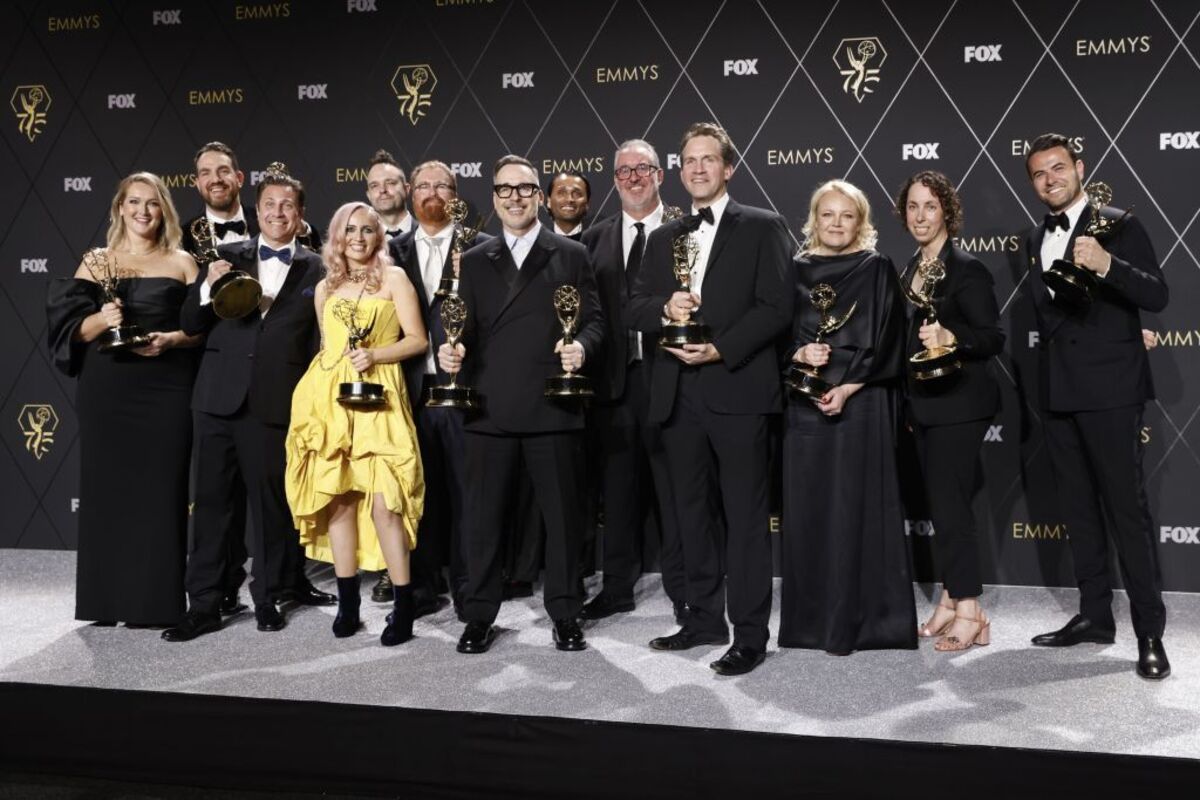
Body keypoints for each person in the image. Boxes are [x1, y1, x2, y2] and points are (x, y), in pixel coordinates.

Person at [629, 122, 793, 676]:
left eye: (708, 160)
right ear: (679, 171)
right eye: (689, 160)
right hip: (677, 393)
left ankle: (750, 635)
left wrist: (720, 349)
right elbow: (635, 305)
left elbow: (776, 308)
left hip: (738, 388)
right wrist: (665, 311)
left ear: (728, 168)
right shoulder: (661, 237)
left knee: (745, 519)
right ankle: (701, 618)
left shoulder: (764, 227)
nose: (698, 168)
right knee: (690, 514)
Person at [438, 155, 603, 654]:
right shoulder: (474, 256)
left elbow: (595, 322)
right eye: (505, 190)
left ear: (540, 196)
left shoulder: (570, 252)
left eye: (525, 189)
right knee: (483, 522)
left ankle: (566, 612)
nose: (514, 197)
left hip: (552, 404)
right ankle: (479, 613)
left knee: (562, 519)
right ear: (493, 198)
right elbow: (459, 325)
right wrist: (451, 349)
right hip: (488, 407)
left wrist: (583, 347)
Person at [163, 166, 335, 643]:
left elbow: (323, 338)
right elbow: (192, 323)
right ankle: (205, 603)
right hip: (217, 400)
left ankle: (270, 597)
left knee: (272, 508)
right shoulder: (224, 256)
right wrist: (205, 283)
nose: (278, 213)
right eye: (270, 205)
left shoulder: (319, 268)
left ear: (300, 217)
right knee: (213, 506)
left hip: (277, 404)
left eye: (288, 206)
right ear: (257, 211)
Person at [1022, 133, 1170, 679]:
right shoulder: (1036, 235)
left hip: (1111, 392)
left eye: (1058, 168)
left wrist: (1108, 265)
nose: (1050, 179)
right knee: (1079, 512)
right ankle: (1094, 617)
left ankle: (1150, 633)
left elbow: (1157, 295)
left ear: (1079, 167)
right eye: (1039, 173)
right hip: (1058, 395)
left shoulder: (1119, 223)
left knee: (1126, 514)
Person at [47, 172, 200, 626]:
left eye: (152, 203)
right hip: (108, 389)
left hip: (167, 388)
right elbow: (67, 332)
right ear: (119, 208)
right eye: (134, 202)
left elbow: (205, 333)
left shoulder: (184, 262)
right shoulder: (95, 262)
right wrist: (99, 318)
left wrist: (172, 339)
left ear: (164, 210)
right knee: (107, 494)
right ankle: (105, 602)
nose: (143, 211)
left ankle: (155, 603)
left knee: (161, 494)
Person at [777, 179, 915, 655]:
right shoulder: (792, 270)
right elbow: (774, 337)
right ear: (814, 219)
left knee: (859, 508)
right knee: (811, 509)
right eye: (827, 215)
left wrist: (850, 386)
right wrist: (799, 354)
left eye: (847, 215)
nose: (836, 224)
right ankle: (811, 624)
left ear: (862, 222)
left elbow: (893, 336)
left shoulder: (877, 268)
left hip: (863, 404)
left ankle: (869, 622)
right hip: (805, 406)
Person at [286, 202, 427, 643]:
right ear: (337, 236)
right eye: (351, 230)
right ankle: (349, 607)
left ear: (378, 236)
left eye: (368, 230)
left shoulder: (395, 279)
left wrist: (376, 354)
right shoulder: (326, 287)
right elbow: (328, 347)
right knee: (339, 501)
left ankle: (402, 609)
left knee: (387, 504)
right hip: (329, 400)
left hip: (381, 396)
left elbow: (418, 339)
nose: (359, 238)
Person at [895, 171, 1004, 651]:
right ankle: (948, 599)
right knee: (942, 506)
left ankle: (971, 611)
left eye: (930, 207)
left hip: (961, 403)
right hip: (924, 404)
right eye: (913, 207)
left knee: (951, 506)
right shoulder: (907, 271)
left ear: (947, 213)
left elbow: (992, 338)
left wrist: (951, 337)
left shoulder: (967, 268)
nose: (921, 216)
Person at [579, 138, 687, 621]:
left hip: (673, 379)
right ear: (615, 180)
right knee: (617, 493)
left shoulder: (686, 231)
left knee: (677, 490)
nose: (634, 179)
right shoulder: (592, 241)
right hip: (615, 386)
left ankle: (686, 587)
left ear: (660, 175)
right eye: (624, 172)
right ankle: (618, 586)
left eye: (643, 169)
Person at [388, 160, 493, 617]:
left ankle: (472, 592)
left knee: (470, 496)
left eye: (443, 185)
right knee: (417, 493)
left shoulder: (484, 248)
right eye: (424, 185)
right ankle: (422, 587)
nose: (433, 192)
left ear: (456, 194)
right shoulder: (389, 251)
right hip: (409, 390)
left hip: (466, 389)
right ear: (411, 193)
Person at [179, 141, 258, 615]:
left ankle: (279, 585)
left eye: (224, 170)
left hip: (269, 379)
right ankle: (208, 597)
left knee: (271, 498)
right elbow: (185, 315)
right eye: (206, 172)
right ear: (196, 182)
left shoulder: (275, 222)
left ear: (239, 177)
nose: (215, 179)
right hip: (208, 378)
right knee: (212, 499)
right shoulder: (182, 238)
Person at [367, 149, 413, 240]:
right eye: (374, 185)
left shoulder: (430, 234)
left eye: (390, 183)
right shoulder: (362, 243)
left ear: (406, 189)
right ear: (369, 195)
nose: (382, 190)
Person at [546, 170, 591, 240]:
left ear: (587, 203)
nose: (569, 199)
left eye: (577, 194)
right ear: (549, 201)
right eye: (562, 193)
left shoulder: (597, 243)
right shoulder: (536, 244)